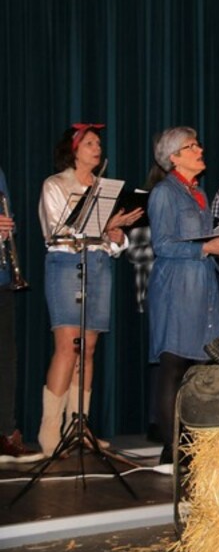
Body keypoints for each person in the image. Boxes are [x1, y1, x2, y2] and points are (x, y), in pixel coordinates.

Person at [36, 124, 144, 457]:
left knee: (89, 348)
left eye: (98, 143)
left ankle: (79, 425)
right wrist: (107, 226)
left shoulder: (104, 189)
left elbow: (113, 244)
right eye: (89, 143)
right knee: (69, 345)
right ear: (73, 150)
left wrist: (117, 236)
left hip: (98, 265)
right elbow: (56, 232)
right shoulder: (56, 184)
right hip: (67, 264)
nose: (97, 148)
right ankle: (50, 429)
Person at [147, 127, 219, 463]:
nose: (200, 150)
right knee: (174, 363)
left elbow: (202, 240)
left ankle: (191, 445)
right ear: (174, 158)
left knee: (199, 368)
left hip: (202, 284)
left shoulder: (199, 193)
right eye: (191, 146)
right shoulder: (164, 193)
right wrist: (206, 247)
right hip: (177, 287)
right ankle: (172, 449)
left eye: (198, 144)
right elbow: (162, 245)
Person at [0, 168, 42, 462]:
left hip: (1, 279)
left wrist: (6, 229)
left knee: (6, 358)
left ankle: (6, 433)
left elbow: (6, 214)